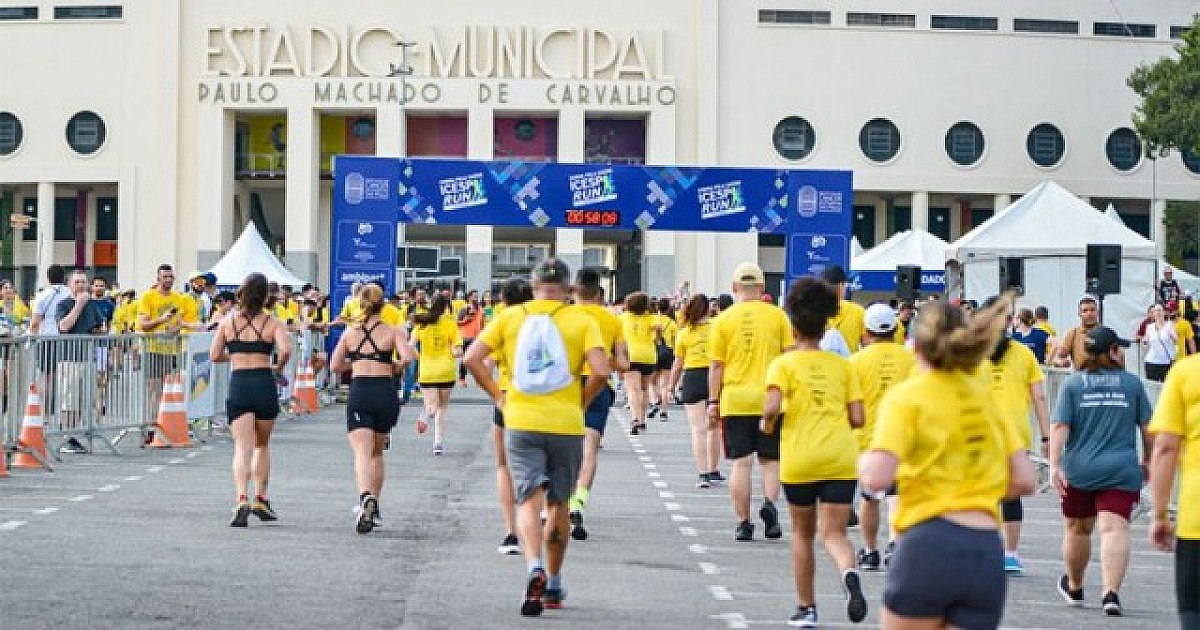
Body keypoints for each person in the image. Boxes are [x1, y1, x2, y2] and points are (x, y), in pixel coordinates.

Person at [859, 297, 1036, 630]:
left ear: (915, 346)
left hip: (928, 540)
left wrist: (865, 461)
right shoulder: (986, 399)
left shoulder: (908, 398)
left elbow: (877, 477)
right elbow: (1025, 479)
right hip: (984, 547)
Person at [463, 258, 609, 617]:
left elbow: (471, 359)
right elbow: (602, 371)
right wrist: (581, 401)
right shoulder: (582, 320)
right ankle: (554, 582)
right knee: (559, 503)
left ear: (533, 286)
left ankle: (533, 566)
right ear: (568, 288)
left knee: (528, 499)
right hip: (566, 423)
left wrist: (499, 397)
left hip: (521, 420)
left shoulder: (510, 317)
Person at [763, 277, 867, 628]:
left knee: (802, 533)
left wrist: (767, 424)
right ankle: (849, 572)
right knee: (835, 533)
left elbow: (772, 407)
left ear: (793, 327)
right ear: (825, 327)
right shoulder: (844, 366)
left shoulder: (783, 365)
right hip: (840, 457)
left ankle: (806, 608)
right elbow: (858, 417)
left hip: (801, 458)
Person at [1049, 326, 1152, 616]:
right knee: (1114, 528)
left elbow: (1060, 426)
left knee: (1077, 529)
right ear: (1113, 352)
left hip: (1080, 469)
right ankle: (1110, 593)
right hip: (1121, 468)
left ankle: (1075, 586)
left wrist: (1055, 464)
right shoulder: (1132, 385)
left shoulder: (1073, 384)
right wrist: (1148, 462)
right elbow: (1148, 430)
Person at [708, 262, 794, 542]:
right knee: (770, 461)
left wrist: (713, 401)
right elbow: (790, 359)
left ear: (734, 288)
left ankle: (743, 523)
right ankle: (770, 504)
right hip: (771, 399)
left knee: (741, 464)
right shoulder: (778, 317)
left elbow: (716, 366)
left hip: (735, 400)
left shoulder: (723, 320)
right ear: (762, 287)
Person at [209, 272, 292, 527]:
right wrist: (277, 367)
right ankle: (261, 498)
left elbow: (214, 355)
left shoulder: (227, 322)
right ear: (265, 296)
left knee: (242, 447)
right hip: (264, 382)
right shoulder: (272, 323)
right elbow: (286, 350)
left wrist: (234, 357)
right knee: (262, 445)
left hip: (240, 384)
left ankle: (241, 497)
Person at [329, 282, 413, 534]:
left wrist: (358, 362)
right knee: (377, 452)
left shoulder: (350, 333)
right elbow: (408, 357)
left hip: (361, 391)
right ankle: (374, 504)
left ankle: (365, 496)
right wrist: (393, 366)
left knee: (361, 453)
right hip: (385, 391)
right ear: (383, 304)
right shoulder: (393, 331)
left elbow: (334, 366)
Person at [983, 298, 1052, 575]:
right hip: (1015, 435)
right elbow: (1039, 397)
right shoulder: (1024, 354)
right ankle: (1010, 554)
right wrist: (1046, 437)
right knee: (1011, 496)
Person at [848, 303, 916, 572]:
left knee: (870, 498)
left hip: (867, 439)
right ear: (896, 328)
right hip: (903, 437)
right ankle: (895, 544)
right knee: (897, 496)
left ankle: (870, 550)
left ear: (866, 331)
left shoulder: (855, 362)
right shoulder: (911, 359)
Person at [568, 269, 629, 540]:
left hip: (567, 386)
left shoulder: (563, 316)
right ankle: (579, 500)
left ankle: (561, 499)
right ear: (598, 292)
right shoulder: (612, 320)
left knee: (560, 447)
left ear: (574, 291)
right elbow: (624, 363)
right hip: (599, 385)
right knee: (589, 448)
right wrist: (603, 359)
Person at [1147, 347, 1200, 630]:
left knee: (1194, 611)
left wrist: (1159, 514)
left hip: (1196, 517)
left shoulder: (1186, 372)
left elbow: (1165, 448)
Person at [489, 278, 534, 555]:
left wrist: (494, 392)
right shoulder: (544, 320)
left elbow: (481, 361)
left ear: (503, 300)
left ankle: (510, 533)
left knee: (503, 464)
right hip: (543, 397)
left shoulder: (502, 321)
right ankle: (542, 517)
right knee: (540, 462)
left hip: (508, 395)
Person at [138, 264, 201, 442]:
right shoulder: (148, 297)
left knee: (165, 391)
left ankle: (161, 426)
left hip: (170, 349)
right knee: (153, 389)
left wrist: (177, 327)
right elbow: (143, 324)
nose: (168, 280)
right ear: (158, 278)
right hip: (152, 348)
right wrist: (162, 319)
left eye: (171, 277)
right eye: (165, 277)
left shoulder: (177, 298)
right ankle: (149, 428)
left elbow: (178, 323)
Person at [669, 294, 722, 488]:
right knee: (714, 426)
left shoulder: (684, 333)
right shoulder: (717, 327)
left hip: (692, 376)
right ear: (708, 309)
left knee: (697, 429)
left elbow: (678, 364)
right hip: (714, 375)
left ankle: (702, 473)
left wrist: (671, 387)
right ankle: (714, 470)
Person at [54, 271, 110, 454]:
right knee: (69, 400)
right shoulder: (63, 304)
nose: (81, 285)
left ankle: (76, 434)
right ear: (69, 285)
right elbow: (64, 326)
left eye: (84, 282)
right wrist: (78, 305)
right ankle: (68, 437)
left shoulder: (92, 304)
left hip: (88, 357)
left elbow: (99, 328)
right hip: (69, 358)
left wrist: (99, 330)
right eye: (77, 282)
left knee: (84, 399)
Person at [411, 294, 461, 455]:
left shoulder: (421, 323)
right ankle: (437, 443)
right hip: (446, 370)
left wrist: (420, 357)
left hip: (427, 371)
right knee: (442, 408)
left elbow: (410, 346)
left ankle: (426, 415)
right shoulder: (450, 323)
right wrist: (453, 351)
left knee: (431, 406)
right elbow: (458, 351)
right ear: (447, 306)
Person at [619, 292, 657, 435]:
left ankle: (634, 418)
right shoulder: (651, 318)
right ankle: (642, 420)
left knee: (632, 389)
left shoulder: (622, 318)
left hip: (630, 355)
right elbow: (657, 331)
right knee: (644, 389)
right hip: (648, 355)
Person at [821, 265, 866, 354]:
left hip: (819, 361)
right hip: (850, 361)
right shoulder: (858, 311)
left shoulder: (812, 310)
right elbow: (866, 344)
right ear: (842, 285)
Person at [649, 297, 678, 420]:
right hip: (668, 352)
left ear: (658, 308)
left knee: (651, 381)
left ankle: (655, 401)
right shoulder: (672, 323)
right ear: (668, 309)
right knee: (665, 384)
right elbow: (675, 341)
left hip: (654, 351)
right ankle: (664, 412)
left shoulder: (652, 320)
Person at [1053, 296, 1100, 369]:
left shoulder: (1107, 333)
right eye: (1085, 311)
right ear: (1079, 314)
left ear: (1097, 312)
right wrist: (1060, 362)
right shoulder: (1073, 333)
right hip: (1081, 374)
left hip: (1105, 375)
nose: (1089, 313)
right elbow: (1057, 358)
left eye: (1092, 310)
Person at [1142, 303, 1177, 382]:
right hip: (1151, 361)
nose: (1158, 312)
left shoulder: (1169, 325)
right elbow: (1146, 340)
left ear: (1164, 312)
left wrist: (1172, 336)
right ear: (1153, 314)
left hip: (1166, 361)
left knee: (1166, 385)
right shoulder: (1150, 327)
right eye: (1156, 311)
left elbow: (1175, 341)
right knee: (1152, 386)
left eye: (1160, 310)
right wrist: (1144, 341)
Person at [456, 289, 484, 386]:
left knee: (476, 359)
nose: (476, 297)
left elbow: (482, 323)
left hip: (477, 338)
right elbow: (457, 322)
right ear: (469, 297)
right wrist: (466, 320)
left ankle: (478, 379)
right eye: (474, 296)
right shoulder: (464, 309)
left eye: (477, 296)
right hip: (465, 337)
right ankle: (462, 378)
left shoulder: (480, 309)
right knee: (465, 359)